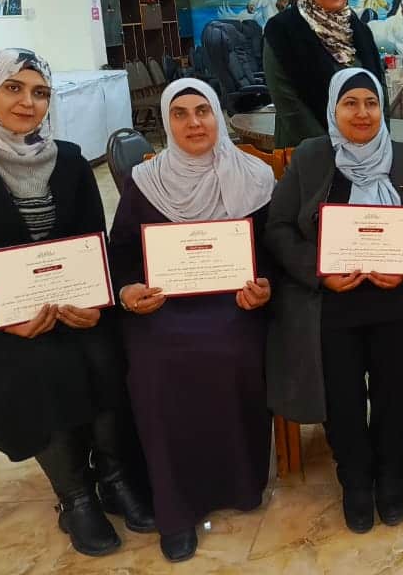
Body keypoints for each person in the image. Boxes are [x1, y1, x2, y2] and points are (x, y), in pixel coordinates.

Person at [0, 49, 153, 557]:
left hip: (69, 304)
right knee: (42, 364)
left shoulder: (68, 161)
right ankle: (75, 496)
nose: (28, 102)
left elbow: (92, 245)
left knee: (112, 347)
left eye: (40, 92)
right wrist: (3, 319)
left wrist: (97, 302)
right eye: (14, 88)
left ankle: (114, 476)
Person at [264, 68, 403, 533]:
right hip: (330, 299)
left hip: (394, 292)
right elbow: (278, 228)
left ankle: (390, 471)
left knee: (396, 388)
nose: (362, 113)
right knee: (341, 392)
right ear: (333, 109)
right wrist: (319, 272)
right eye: (350, 103)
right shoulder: (311, 157)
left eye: (370, 103)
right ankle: (355, 477)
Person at [108, 78, 275, 562]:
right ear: (166, 122)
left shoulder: (255, 176)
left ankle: (239, 484)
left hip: (234, 301)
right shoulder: (146, 181)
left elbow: (271, 249)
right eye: (180, 114)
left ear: (217, 115)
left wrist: (266, 286)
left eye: (202, 111)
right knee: (156, 362)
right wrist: (128, 291)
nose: (194, 122)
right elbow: (122, 253)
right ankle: (174, 506)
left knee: (233, 351)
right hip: (163, 305)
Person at [264, 0, 383, 148]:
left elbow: (380, 90)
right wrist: (335, 150)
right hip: (309, 150)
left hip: (366, 149)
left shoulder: (359, 28)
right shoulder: (283, 29)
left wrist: (378, 139)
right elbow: (289, 105)